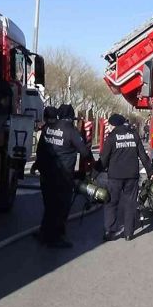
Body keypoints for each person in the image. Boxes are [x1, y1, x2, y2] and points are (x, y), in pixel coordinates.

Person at [34, 104, 93, 248]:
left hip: (46, 173)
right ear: (71, 117)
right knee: (61, 206)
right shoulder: (71, 131)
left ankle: (44, 233)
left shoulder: (48, 128)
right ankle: (55, 237)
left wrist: (37, 165)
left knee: (49, 205)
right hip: (63, 176)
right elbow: (84, 153)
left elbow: (40, 149)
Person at [99, 113, 153, 241]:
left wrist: (94, 174)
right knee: (130, 203)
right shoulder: (134, 135)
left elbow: (103, 158)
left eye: (109, 125)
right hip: (132, 176)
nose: (108, 127)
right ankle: (129, 233)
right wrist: (150, 172)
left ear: (113, 125)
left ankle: (110, 231)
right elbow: (143, 155)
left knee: (111, 202)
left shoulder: (111, 137)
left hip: (115, 176)